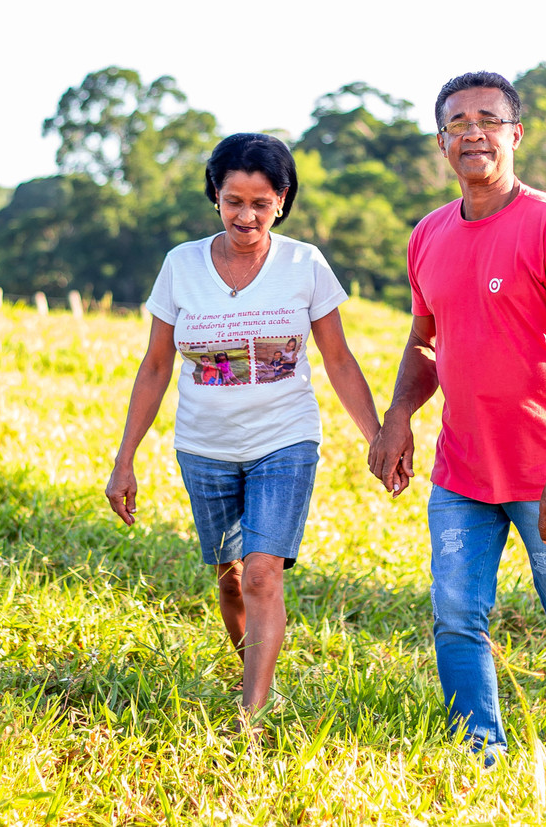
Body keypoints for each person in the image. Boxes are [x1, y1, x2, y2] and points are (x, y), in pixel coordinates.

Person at [368, 72, 546, 763]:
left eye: (487, 119)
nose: (471, 132)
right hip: (461, 471)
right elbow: (426, 339)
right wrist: (397, 417)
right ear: (442, 142)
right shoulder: (428, 235)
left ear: (515, 133)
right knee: (455, 617)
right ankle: (480, 756)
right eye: (455, 123)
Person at [107, 133, 381, 726]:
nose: (246, 215)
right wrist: (124, 457)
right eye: (234, 200)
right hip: (203, 447)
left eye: (261, 202)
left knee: (262, 572)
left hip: (284, 439)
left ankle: (250, 718)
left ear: (281, 200)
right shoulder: (181, 265)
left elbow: (337, 359)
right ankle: (252, 676)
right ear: (215, 197)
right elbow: (155, 367)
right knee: (230, 581)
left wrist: (376, 435)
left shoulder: (305, 264)